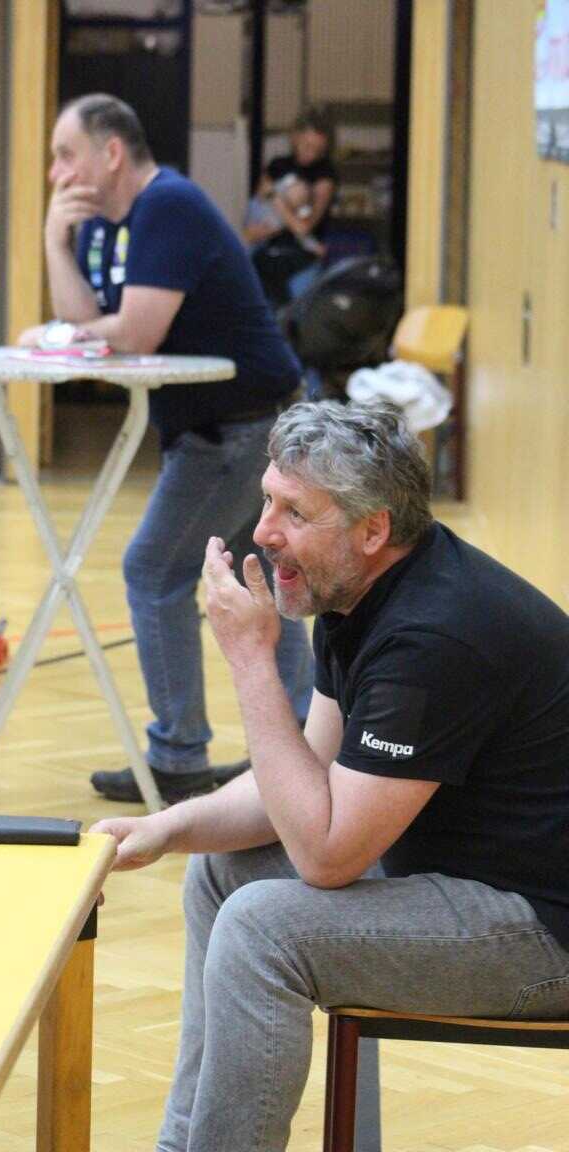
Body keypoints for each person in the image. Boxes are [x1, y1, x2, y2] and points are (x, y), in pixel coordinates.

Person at [92, 401, 569, 1152]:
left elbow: (325, 854)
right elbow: (305, 778)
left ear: (372, 529)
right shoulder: (360, 590)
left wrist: (252, 660)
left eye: (294, 512)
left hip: (544, 932)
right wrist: (166, 827)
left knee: (263, 927)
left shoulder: (433, 637)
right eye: (267, 499)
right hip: (469, 876)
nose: (263, 531)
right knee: (224, 872)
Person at [19, 93, 314, 804]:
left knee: (153, 570)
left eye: (66, 155)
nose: (57, 173)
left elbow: (135, 333)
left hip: (243, 429)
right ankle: (303, 746)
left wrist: (72, 334)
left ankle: (181, 756)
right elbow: (85, 322)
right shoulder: (109, 225)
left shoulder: (168, 205)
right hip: (229, 428)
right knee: (261, 578)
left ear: (111, 153)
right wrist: (56, 242)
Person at [244, 109, 338, 306]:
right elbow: (253, 225)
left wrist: (277, 201)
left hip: (298, 253)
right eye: (306, 146)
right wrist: (279, 219)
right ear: (295, 137)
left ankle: (284, 315)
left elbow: (304, 228)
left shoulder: (325, 175)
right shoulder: (277, 166)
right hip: (268, 245)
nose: (310, 154)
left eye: (317, 150)